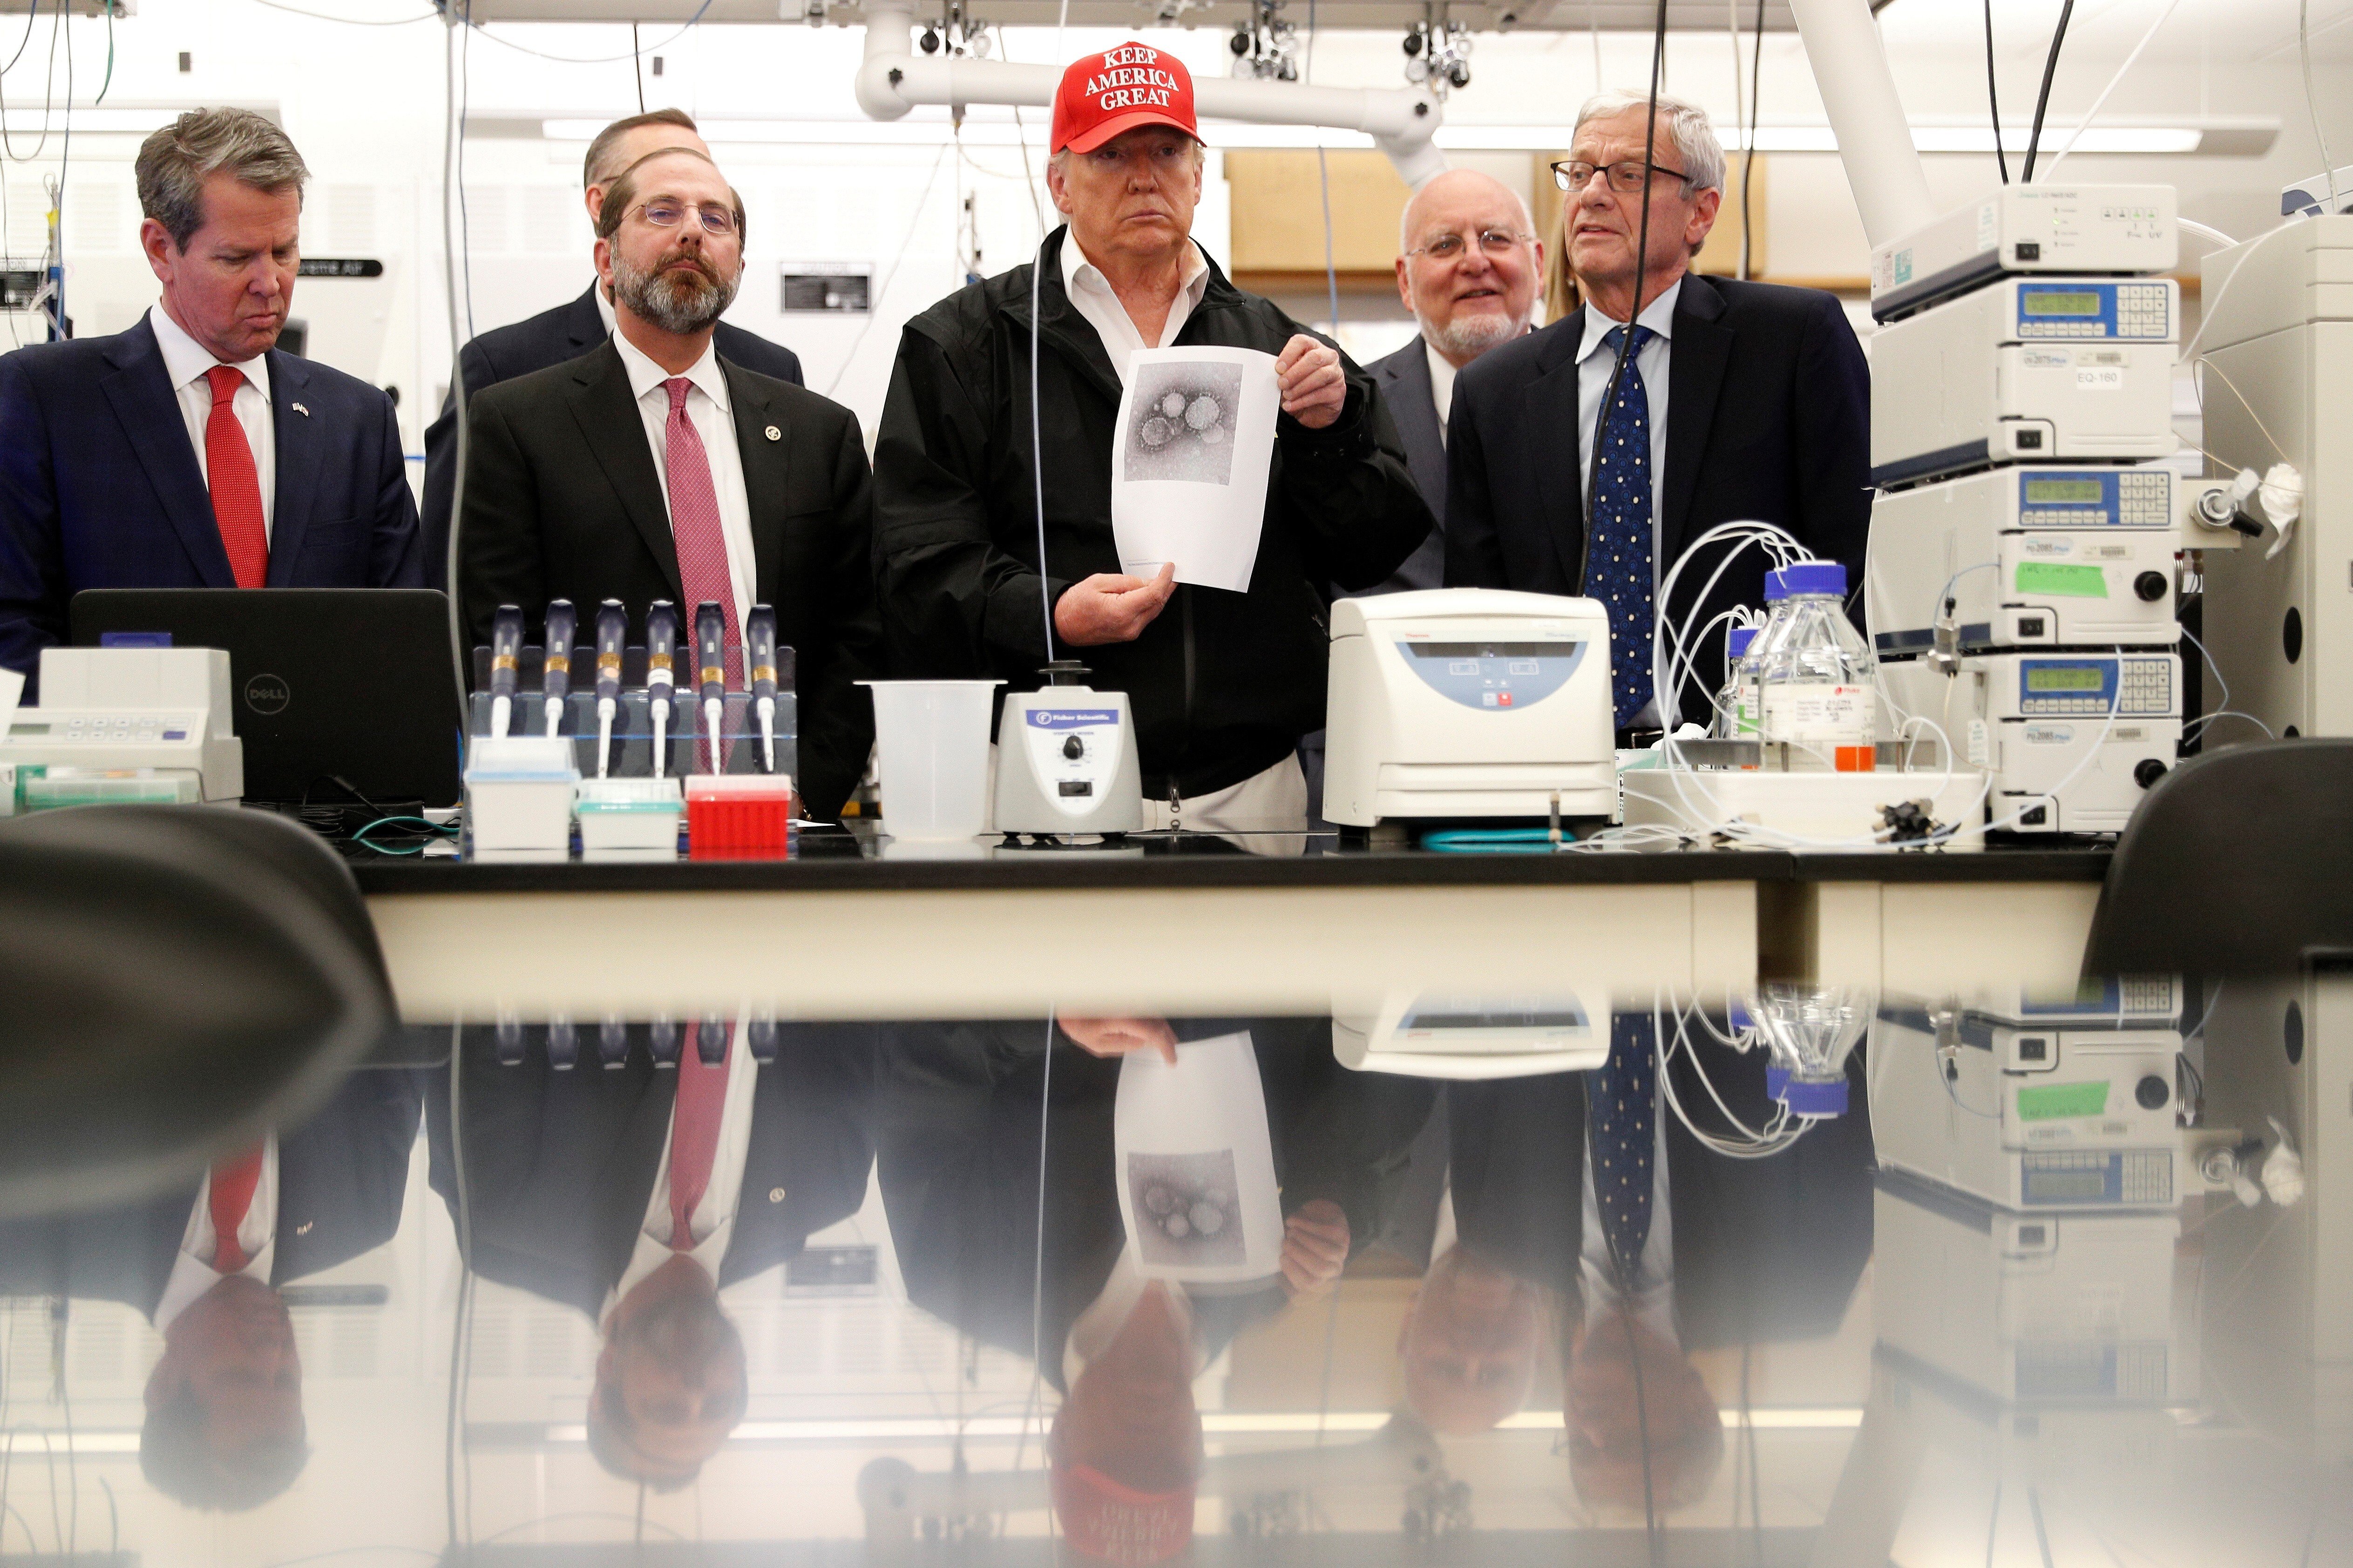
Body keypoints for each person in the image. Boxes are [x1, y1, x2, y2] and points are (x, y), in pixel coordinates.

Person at [874, 42, 1433, 833]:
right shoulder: (964, 350)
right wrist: (1048, 612)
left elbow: (1375, 545)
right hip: (1043, 770)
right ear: (1059, 182)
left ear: (1199, 175)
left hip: (1250, 787)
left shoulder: (1279, 351)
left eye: (1167, 151)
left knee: (1253, 965)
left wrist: (1330, 433)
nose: (1144, 176)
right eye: (1111, 155)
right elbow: (914, 564)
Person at [455, 147, 882, 821]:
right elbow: (500, 630)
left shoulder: (817, 431)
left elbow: (859, 628)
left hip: (781, 817)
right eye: (663, 212)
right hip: (600, 822)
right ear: (605, 261)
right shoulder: (519, 423)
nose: (692, 231)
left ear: (739, 264)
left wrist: (809, 789)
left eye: (717, 220)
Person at [1444, 89, 1871, 738]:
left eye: (1629, 175)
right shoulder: (1494, 391)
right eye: (1579, 172)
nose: (1590, 195)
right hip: (1555, 761)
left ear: (1701, 212)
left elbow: (1856, 557)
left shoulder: (1790, 342)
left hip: (1751, 756)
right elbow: (1476, 618)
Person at [0, 108, 422, 691]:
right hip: (123, 772)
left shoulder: (357, 420)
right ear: (159, 249)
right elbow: (13, 624)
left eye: (284, 252)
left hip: (320, 778)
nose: (270, 282)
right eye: (235, 258)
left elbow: (403, 634)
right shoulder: (48, 402)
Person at [427, 1017, 876, 1487]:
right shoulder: (827, 1184)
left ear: (605, 1379)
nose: (696, 1389)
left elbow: (483, 992)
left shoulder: (507, 1207)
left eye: (667, 1408)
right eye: (719, 1403)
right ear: (744, 1373)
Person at [0, 1071, 423, 1511]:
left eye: (240, 1376)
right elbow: (414, 1023)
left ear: (164, 1382)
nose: (274, 1352)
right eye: (287, 1379)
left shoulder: (35, 1230)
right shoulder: (364, 1207)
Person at [419, 108, 805, 587]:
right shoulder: (503, 372)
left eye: (710, 209)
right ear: (603, 210)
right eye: (662, 202)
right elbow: (452, 577)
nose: (691, 227)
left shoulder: (772, 371)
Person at [1363, 169, 1546, 595]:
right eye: (1445, 245)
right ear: (1405, 281)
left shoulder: (1599, 399)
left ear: (1538, 263)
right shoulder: (1353, 412)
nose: (1475, 262)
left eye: (1496, 238)